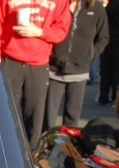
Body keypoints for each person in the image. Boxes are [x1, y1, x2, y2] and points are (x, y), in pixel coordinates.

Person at [0, 0, 72, 145]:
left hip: (38, 64)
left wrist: (39, 31)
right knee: (4, 110)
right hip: (10, 60)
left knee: (34, 115)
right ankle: (2, 150)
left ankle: (31, 156)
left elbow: (61, 30)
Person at [46, 0, 109, 128]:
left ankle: (67, 148)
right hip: (54, 70)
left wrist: (90, 55)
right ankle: (45, 146)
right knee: (47, 117)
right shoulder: (59, 4)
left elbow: (103, 37)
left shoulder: (96, 8)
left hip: (79, 71)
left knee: (71, 120)